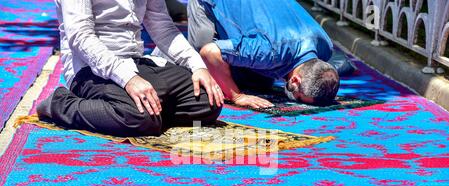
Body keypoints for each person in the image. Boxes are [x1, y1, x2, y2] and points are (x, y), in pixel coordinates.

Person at [37, 0, 224, 137]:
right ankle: (60, 104)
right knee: (139, 118)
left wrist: (197, 65)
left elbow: (162, 26)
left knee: (209, 101)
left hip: (136, 62)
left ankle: (135, 110)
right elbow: (80, 37)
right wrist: (128, 79)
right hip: (91, 69)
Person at [186, 0, 342, 109]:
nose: (297, 100)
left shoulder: (325, 46)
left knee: (260, 84)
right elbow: (210, 52)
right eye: (299, 98)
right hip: (209, 3)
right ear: (295, 80)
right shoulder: (269, 52)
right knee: (203, 69)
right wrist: (237, 97)